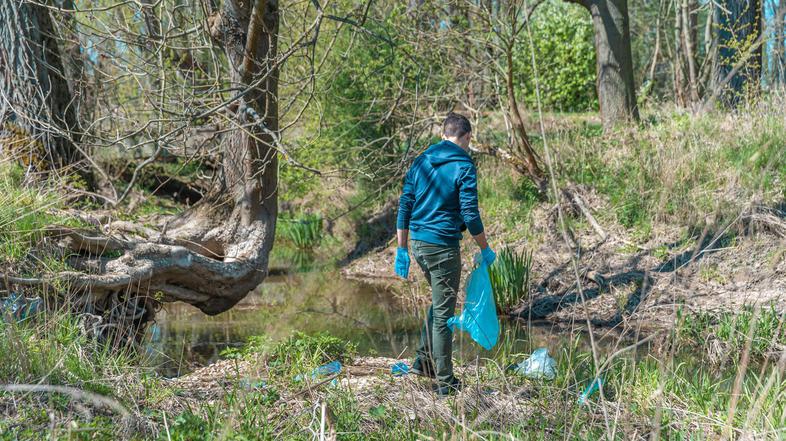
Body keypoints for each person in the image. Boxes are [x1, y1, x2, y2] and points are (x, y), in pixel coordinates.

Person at [394, 112, 496, 396]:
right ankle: (444, 380)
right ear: (466, 137)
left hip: (418, 245)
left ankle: (423, 362)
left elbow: (404, 206)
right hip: (442, 247)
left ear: (443, 134)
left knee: (440, 301)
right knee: (444, 313)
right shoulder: (464, 164)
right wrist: (485, 248)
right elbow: (470, 214)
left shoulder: (421, 160)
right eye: (468, 141)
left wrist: (402, 249)